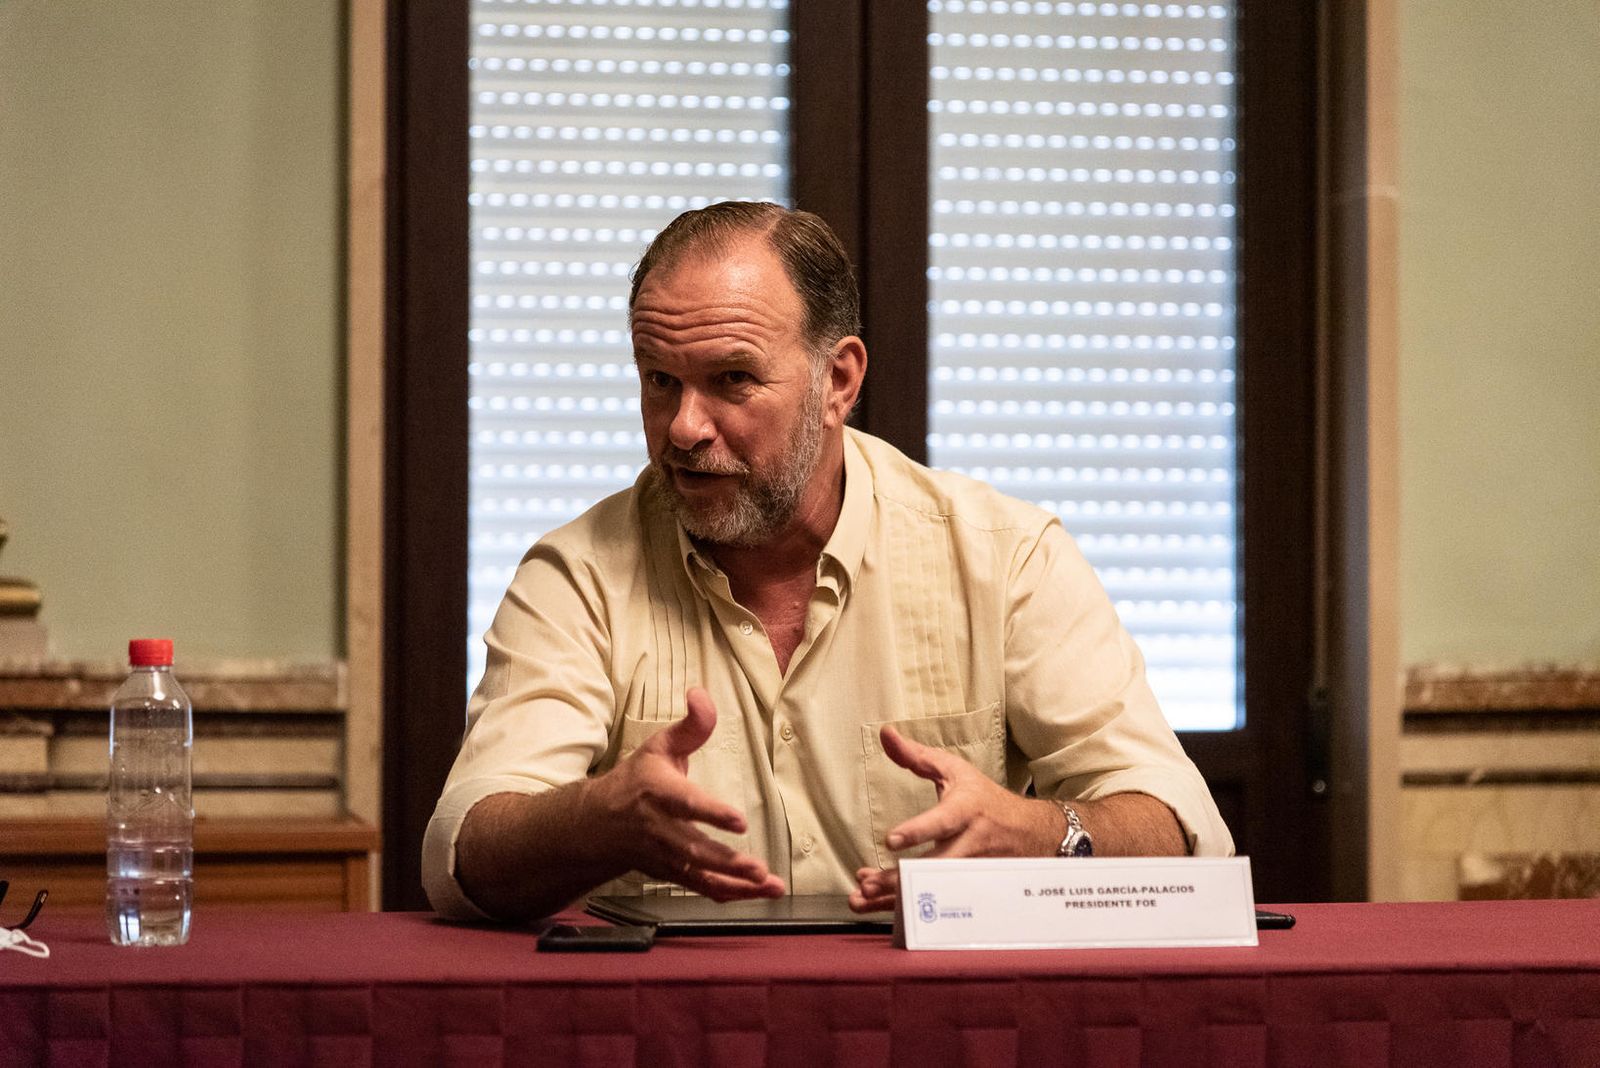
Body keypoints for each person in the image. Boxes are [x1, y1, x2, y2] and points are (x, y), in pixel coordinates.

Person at [423, 202, 1232, 922]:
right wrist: (596, 820)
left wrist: (1040, 835)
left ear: (837, 380)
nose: (682, 428)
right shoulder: (578, 575)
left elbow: (1187, 829)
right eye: (660, 381)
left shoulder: (1003, 557)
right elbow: (461, 853)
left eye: (730, 380)